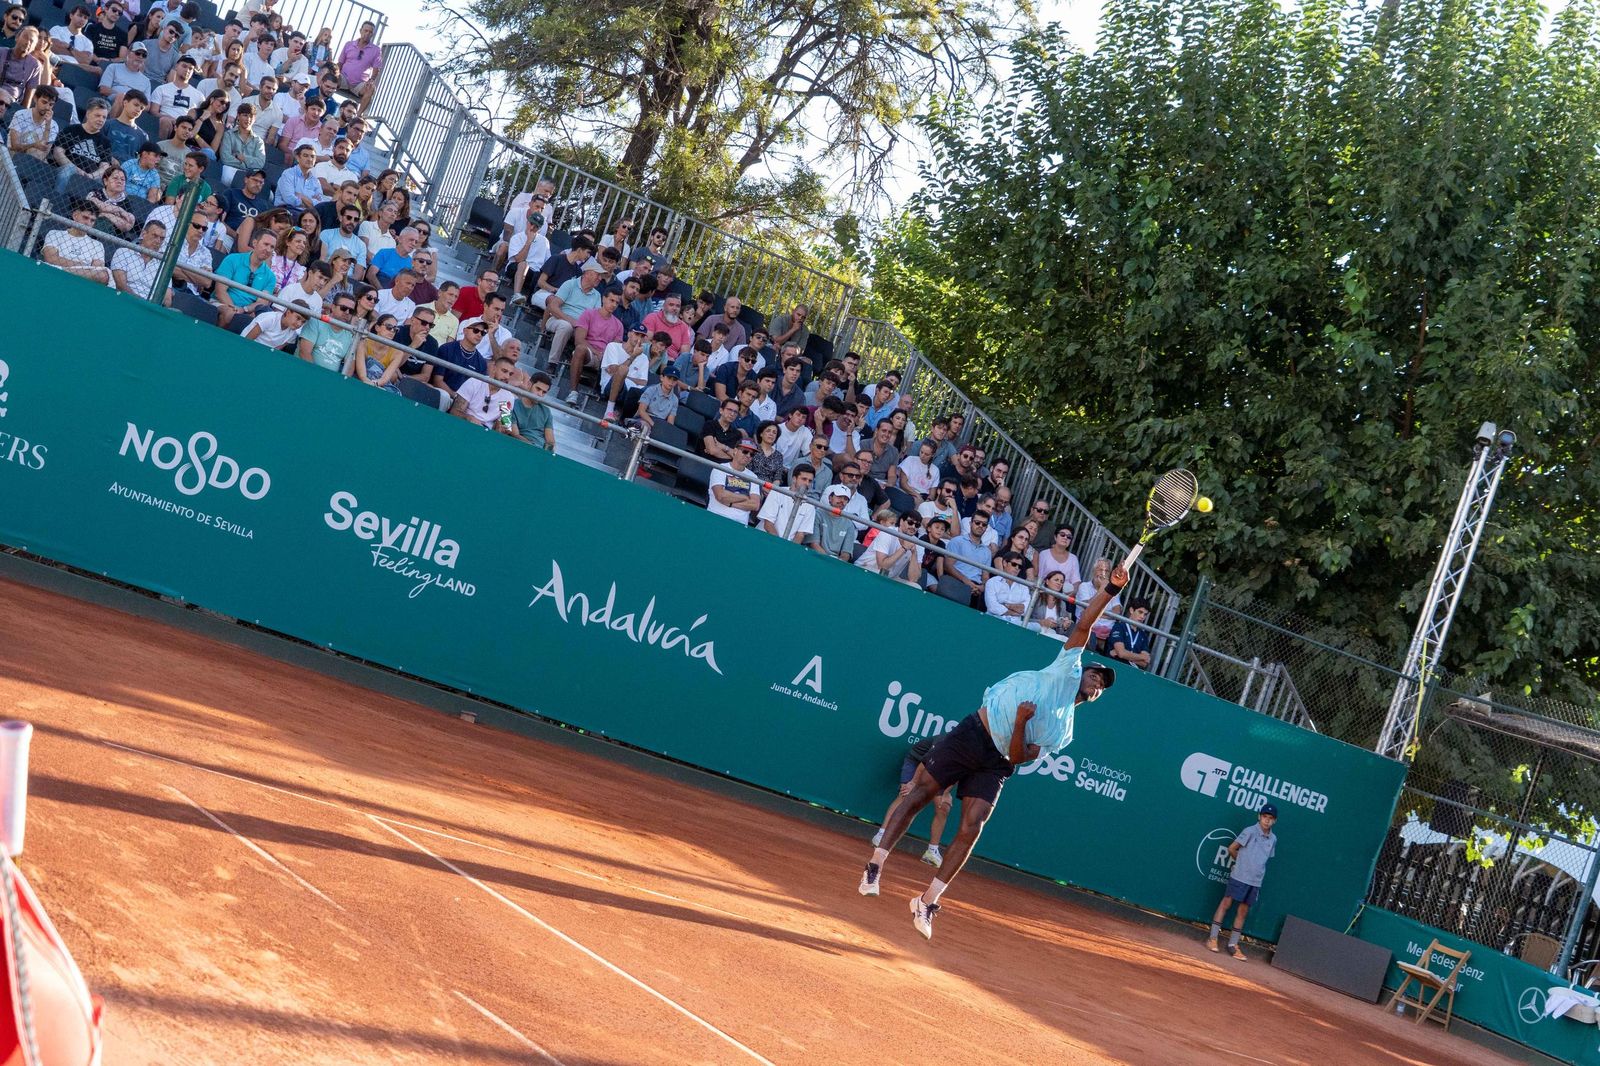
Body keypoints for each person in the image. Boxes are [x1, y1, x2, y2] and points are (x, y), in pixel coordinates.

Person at [861, 565, 1129, 939]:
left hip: (997, 762)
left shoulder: (1063, 730)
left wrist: (1021, 723)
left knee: (973, 826)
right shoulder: (1066, 668)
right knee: (920, 794)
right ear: (1084, 672)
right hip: (974, 732)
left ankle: (927, 902)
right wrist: (1111, 591)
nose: (1097, 682)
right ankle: (875, 864)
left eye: (1102, 685)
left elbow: (1019, 758)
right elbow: (1084, 624)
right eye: (1096, 674)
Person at [1207, 805, 1279, 959]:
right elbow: (1232, 848)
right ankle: (1212, 938)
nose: (1267, 820)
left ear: (1275, 821)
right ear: (1259, 816)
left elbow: (1263, 860)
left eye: (1271, 818)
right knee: (1226, 903)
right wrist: (1239, 864)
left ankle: (1233, 945)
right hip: (1239, 876)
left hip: (1256, 881)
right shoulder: (1250, 831)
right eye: (1265, 817)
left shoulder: (1273, 839)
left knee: (1243, 911)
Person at [871, 736, 954, 868]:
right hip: (917, 762)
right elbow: (924, 765)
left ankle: (932, 851)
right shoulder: (944, 742)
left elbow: (956, 776)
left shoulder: (971, 753)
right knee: (907, 796)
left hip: (938, 771)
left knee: (943, 806)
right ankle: (881, 835)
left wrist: (944, 793)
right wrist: (912, 783)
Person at [707, 437, 762, 524]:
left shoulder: (753, 477)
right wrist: (745, 497)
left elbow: (755, 505)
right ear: (735, 451)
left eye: (752, 454)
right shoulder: (720, 468)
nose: (748, 456)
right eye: (745, 451)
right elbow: (721, 496)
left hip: (740, 524)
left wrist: (731, 504)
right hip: (716, 517)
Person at [503, 369, 556, 451]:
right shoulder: (510, 404)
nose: (540, 394)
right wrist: (533, 449)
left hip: (540, 453)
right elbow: (514, 434)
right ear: (529, 384)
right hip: (518, 448)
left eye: (544, 392)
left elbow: (550, 441)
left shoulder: (547, 411)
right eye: (538, 389)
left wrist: (546, 456)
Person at [1075, 559, 1119, 652]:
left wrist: (1095, 613)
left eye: (1106, 571)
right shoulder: (1084, 586)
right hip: (1087, 628)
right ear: (1094, 571)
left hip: (1107, 634)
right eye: (1100, 569)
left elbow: (1117, 612)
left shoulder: (1114, 590)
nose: (1103, 573)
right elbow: (1087, 606)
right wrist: (1102, 589)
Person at [1108, 597, 1153, 670]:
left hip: (1132, 671)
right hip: (1115, 667)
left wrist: (1124, 655)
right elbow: (1121, 653)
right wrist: (1141, 657)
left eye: (1145, 614)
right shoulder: (1119, 627)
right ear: (1131, 610)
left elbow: (1144, 663)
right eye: (1140, 612)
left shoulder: (1143, 635)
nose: (1142, 617)